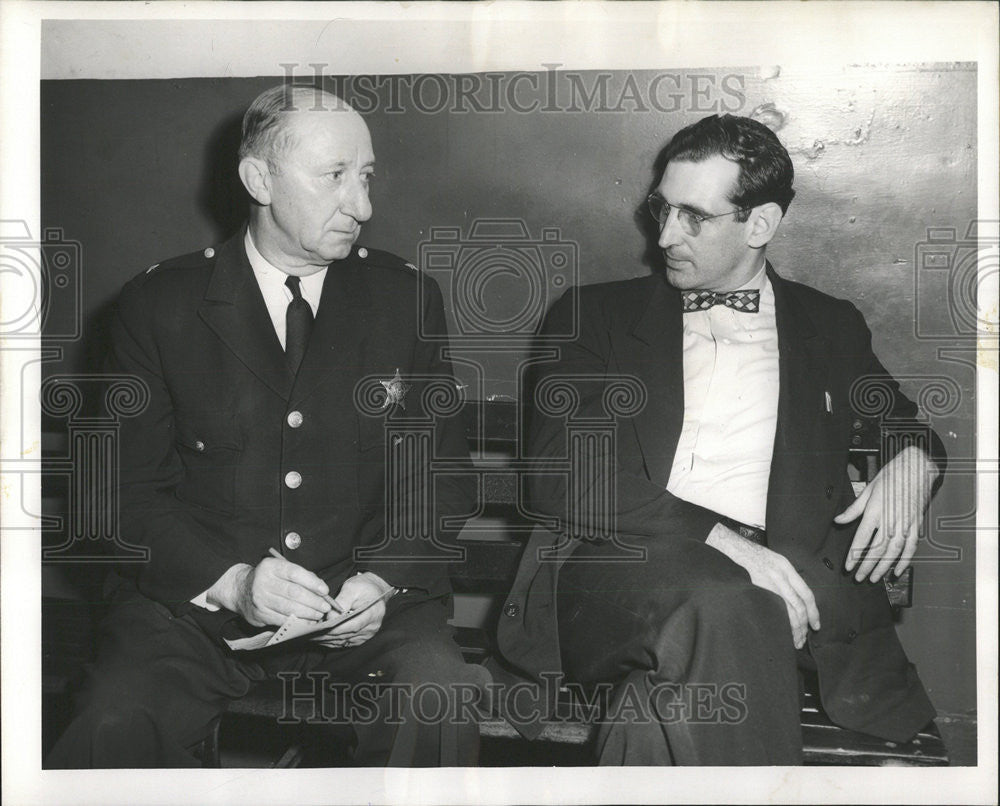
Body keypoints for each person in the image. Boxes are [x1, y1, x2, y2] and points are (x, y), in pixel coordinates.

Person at [46, 85, 484, 768]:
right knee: (112, 723)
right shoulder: (158, 306)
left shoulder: (405, 300)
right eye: (335, 177)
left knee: (439, 699)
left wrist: (383, 581)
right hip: (192, 618)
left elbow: (443, 479)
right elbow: (116, 494)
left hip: (365, 618)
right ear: (258, 179)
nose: (362, 207)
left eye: (366, 177)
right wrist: (231, 583)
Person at [494, 114, 945, 765]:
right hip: (615, 574)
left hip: (773, 597)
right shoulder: (594, 317)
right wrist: (728, 545)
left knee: (649, 719)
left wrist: (916, 460)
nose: (665, 235)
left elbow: (903, 421)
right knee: (732, 598)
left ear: (758, 225)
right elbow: (562, 475)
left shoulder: (828, 325)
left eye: (694, 217)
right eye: (661, 209)